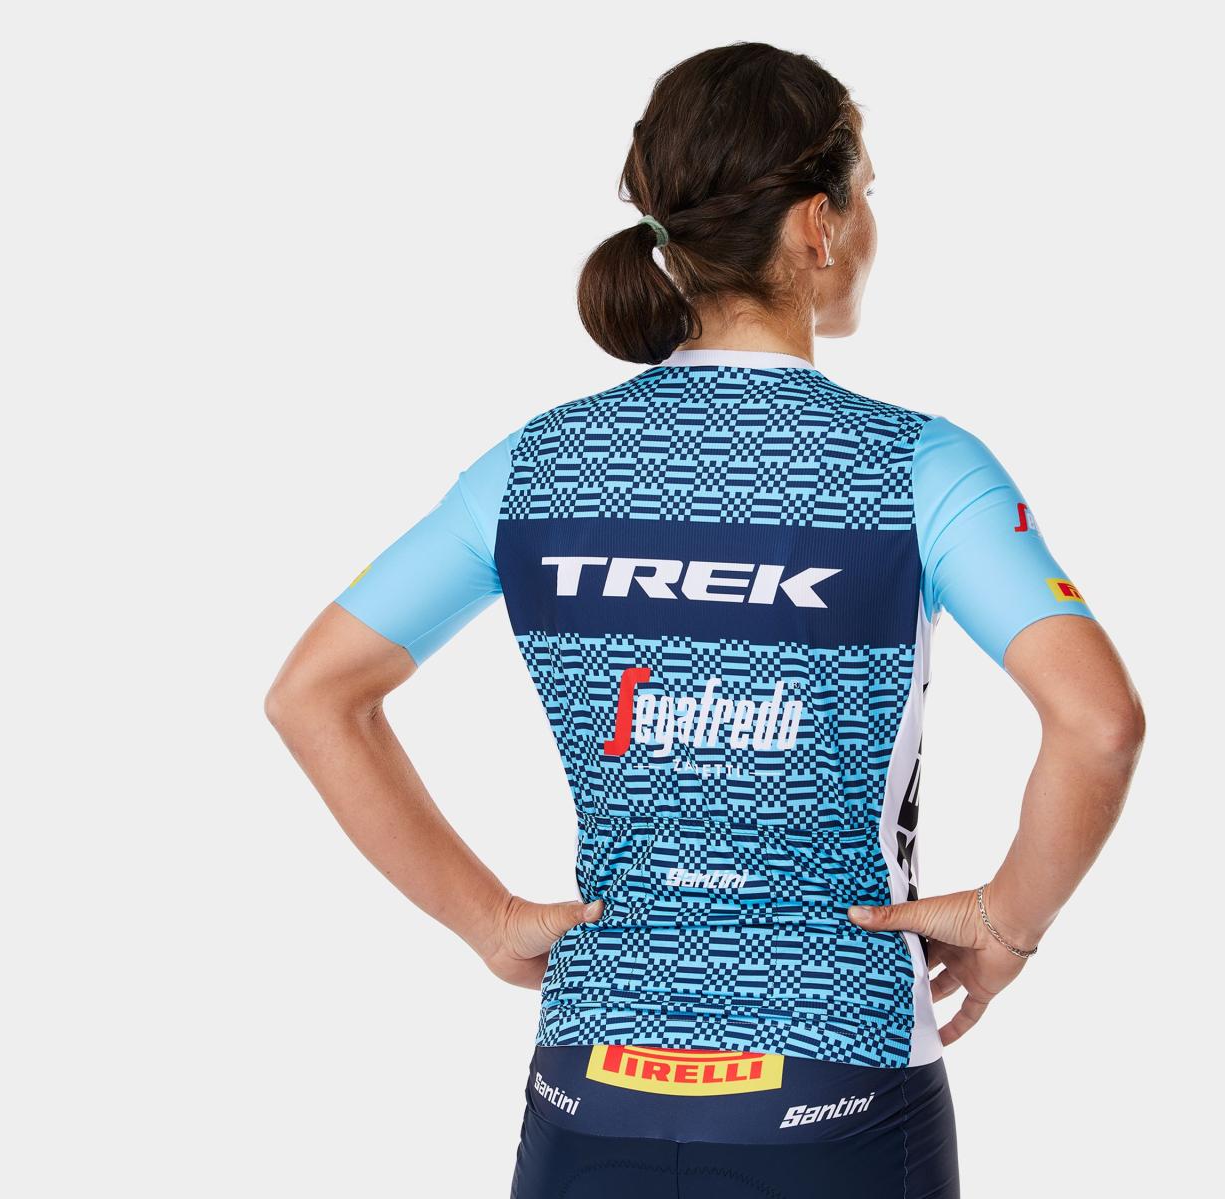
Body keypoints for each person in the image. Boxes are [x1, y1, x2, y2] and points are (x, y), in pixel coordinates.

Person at [266, 42, 1144, 1199]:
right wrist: (1005, 922)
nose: (869, 224)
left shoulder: (533, 466)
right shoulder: (919, 466)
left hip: (588, 1087)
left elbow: (314, 693)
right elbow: (1097, 722)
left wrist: (488, 920)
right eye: (865, 193)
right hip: (842, 1076)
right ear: (818, 225)